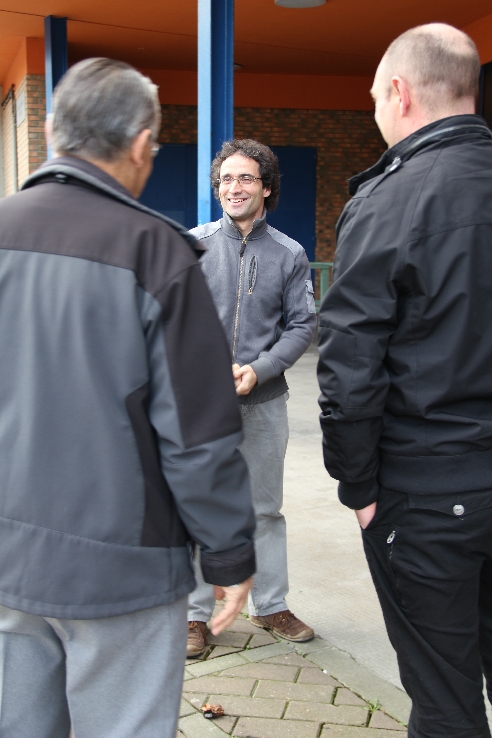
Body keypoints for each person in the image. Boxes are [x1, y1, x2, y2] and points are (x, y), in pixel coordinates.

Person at [0, 58, 255, 738]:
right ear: (141, 144)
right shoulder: (157, 254)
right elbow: (197, 435)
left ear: (52, 131)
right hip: (122, 567)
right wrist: (228, 555)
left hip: (5, 554)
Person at [317, 23, 492, 738]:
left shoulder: (390, 199)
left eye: (373, 99)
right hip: (442, 481)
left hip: (427, 492)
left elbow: (350, 362)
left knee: (445, 700)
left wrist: (357, 486)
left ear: (400, 92)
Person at [186, 138, 316, 657]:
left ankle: (271, 605)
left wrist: (259, 370)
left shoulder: (289, 253)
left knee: (264, 510)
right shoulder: (193, 245)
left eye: (245, 178)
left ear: (266, 187)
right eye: (226, 179)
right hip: (200, 404)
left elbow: (302, 325)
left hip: (263, 403)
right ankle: (195, 615)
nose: (234, 187)